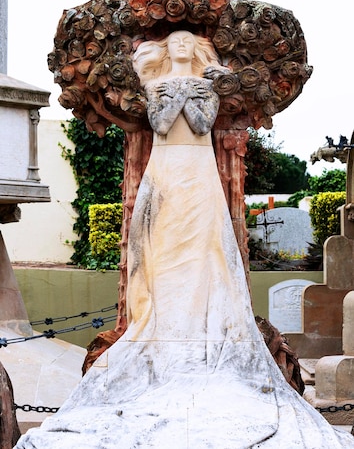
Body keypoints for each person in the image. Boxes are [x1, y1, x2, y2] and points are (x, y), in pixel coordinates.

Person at [15, 31, 354, 448]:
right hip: (165, 169)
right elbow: (158, 122)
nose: (179, 47)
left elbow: (199, 124)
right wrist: (174, 91)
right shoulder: (154, 84)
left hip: (198, 172)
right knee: (161, 251)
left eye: (186, 44)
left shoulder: (207, 85)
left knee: (206, 248)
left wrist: (198, 91)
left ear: (195, 50)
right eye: (173, 42)